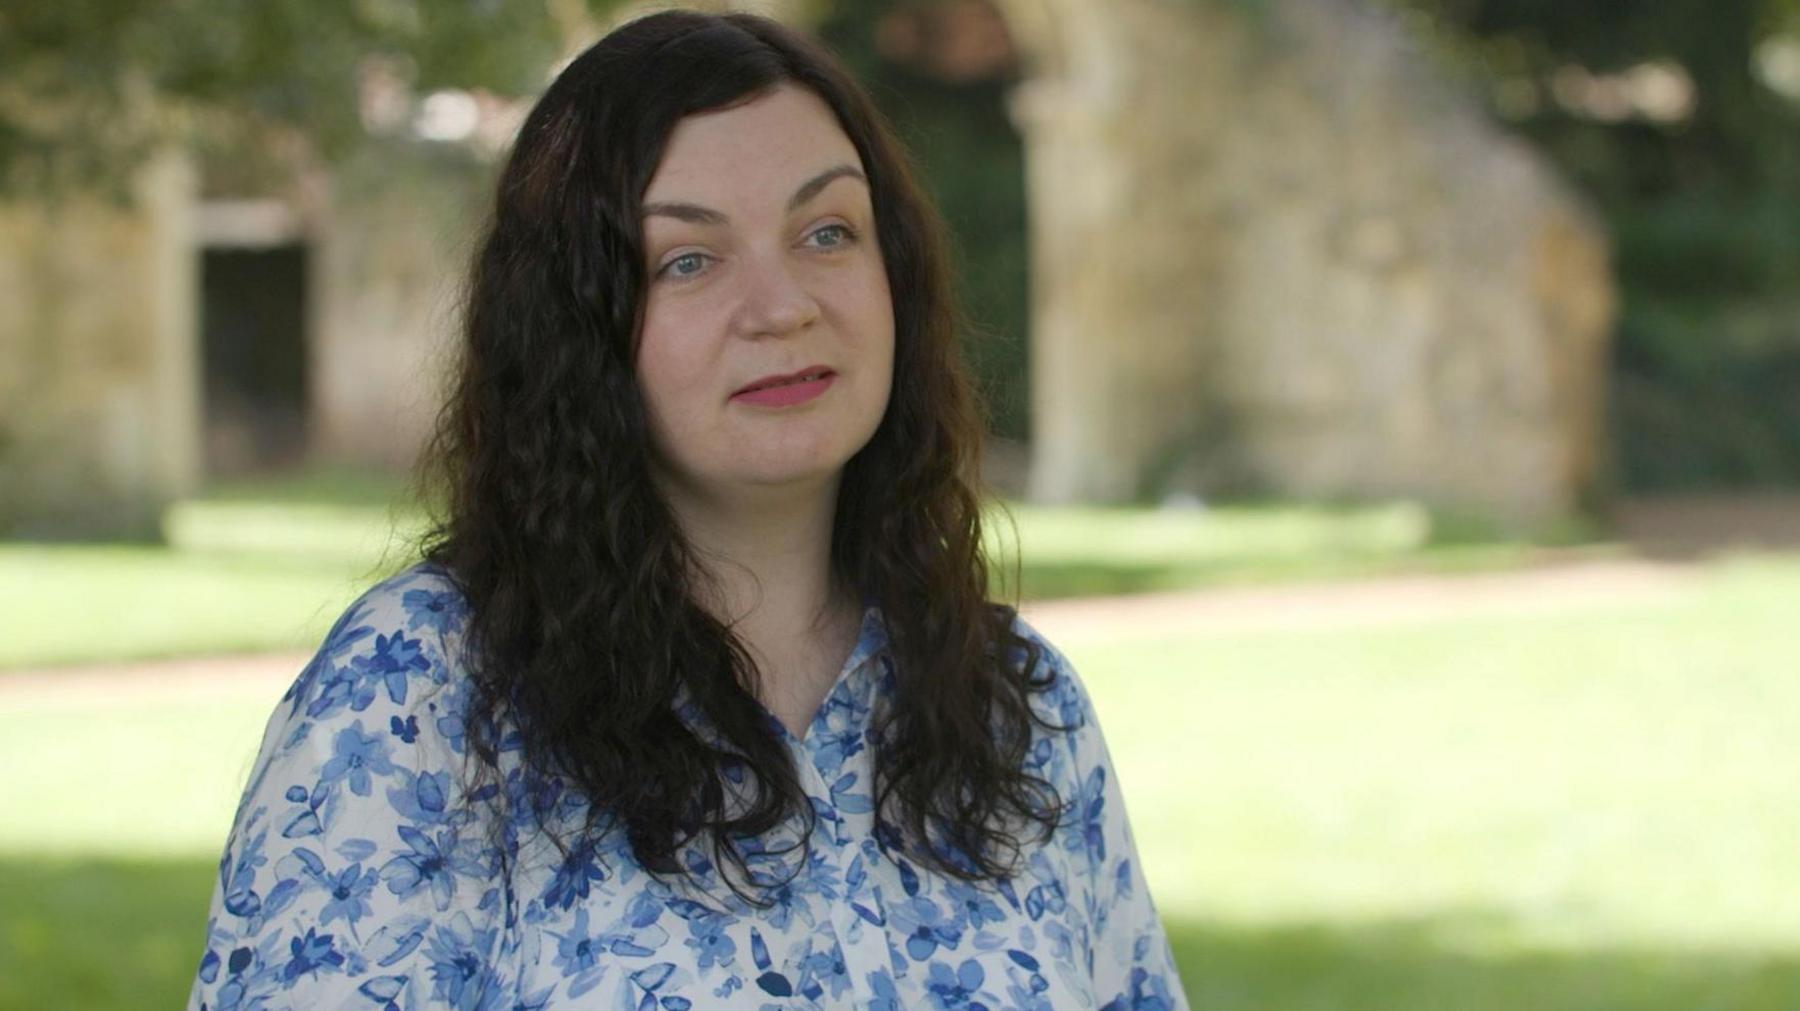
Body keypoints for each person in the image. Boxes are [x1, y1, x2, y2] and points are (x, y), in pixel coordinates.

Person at [186, 9, 1185, 1010]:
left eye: (828, 232)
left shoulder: (1020, 711)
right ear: (580, 327)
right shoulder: (422, 697)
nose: (783, 304)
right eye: (689, 260)